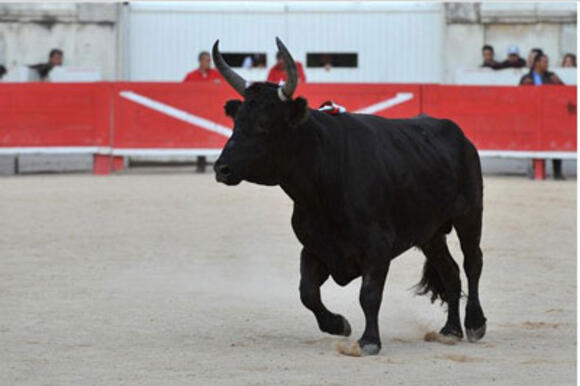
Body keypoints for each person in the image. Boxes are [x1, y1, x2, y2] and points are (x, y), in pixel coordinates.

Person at [520, 51, 565, 180]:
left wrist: (560, 84)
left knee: (556, 143)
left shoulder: (552, 77)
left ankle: (557, 172)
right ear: (537, 63)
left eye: (547, 62)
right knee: (534, 145)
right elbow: (518, 97)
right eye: (544, 62)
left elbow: (564, 94)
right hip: (532, 118)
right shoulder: (526, 78)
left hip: (551, 117)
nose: (547, 64)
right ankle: (535, 171)